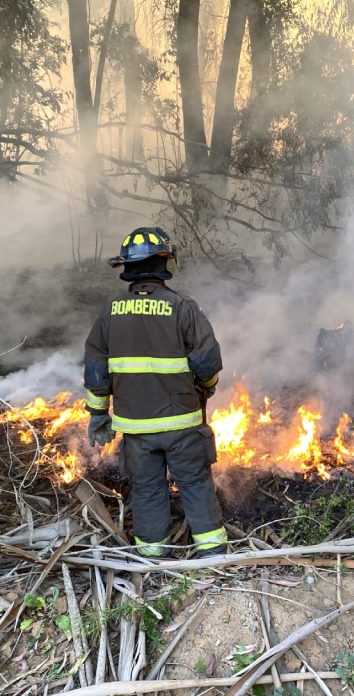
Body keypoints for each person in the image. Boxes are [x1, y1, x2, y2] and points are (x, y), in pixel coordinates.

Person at [83, 227, 228, 558]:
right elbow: (207, 363)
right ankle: (212, 553)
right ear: (165, 262)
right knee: (195, 483)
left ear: (127, 267)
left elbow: (95, 369)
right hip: (182, 424)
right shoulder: (182, 307)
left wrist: (98, 413)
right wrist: (207, 389)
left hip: (136, 429)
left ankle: (152, 556)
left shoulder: (110, 313)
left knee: (147, 489)